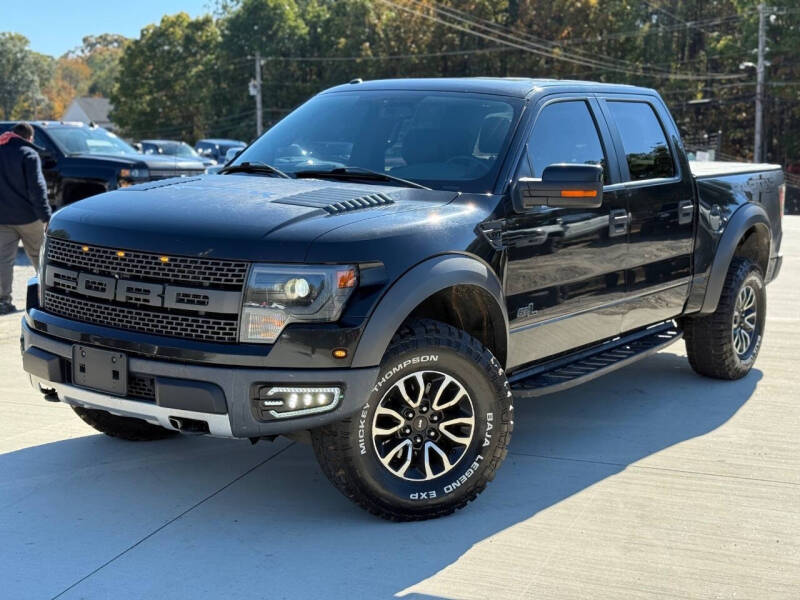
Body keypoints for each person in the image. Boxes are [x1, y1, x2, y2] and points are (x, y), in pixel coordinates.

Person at [0, 122, 51, 314]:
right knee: (41, 258)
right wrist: (46, 216)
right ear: (29, 137)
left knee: (3, 261)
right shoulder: (28, 154)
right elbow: (37, 189)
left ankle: (3, 302)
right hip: (29, 219)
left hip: (3, 219)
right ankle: (49, 298)